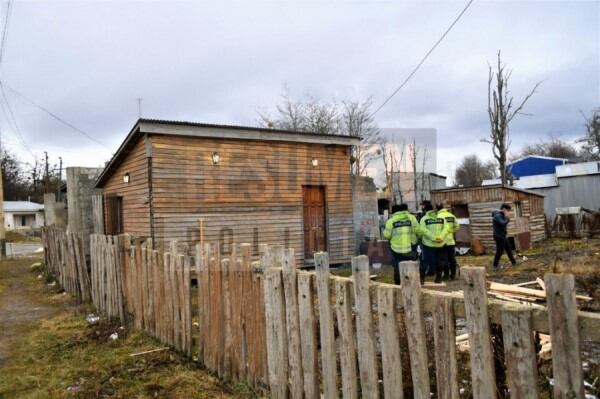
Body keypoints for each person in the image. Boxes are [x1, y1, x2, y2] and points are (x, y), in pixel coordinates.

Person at [383, 203, 420, 285]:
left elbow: (387, 235)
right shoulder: (410, 219)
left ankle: (398, 282)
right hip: (408, 247)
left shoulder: (391, 221)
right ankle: (410, 281)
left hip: (396, 248)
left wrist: (384, 231)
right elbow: (417, 231)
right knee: (409, 264)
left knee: (397, 265)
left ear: (393, 212)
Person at [419, 201, 446, 284]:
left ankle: (422, 279)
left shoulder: (424, 219)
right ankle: (438, 278)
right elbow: (446, 229)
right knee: (439, 261)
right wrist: (440, 237)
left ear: (425, 210)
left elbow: (423, 231)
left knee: (424, 261)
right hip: (440, 244)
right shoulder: (441, 218)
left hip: (428, 244)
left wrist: (433, 238)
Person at [437, 201, 460, 280]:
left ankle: (446, 275)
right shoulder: (452, 216)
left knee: (444, 259)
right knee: (452, 258)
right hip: (451, 241)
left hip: (442, 241)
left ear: (437, 209)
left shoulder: (438, 216)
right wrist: (450, 231)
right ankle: (453, 275)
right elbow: (457, 227)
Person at [492, 203, 517, 270]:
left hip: (503, 236)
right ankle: (495, 265)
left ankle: (514, 262)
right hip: (499, 236)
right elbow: (503, 224)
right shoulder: (497, 216)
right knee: (499, 252)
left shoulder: (501, 215)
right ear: (504, 209)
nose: (508, 212)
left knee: (508, 249)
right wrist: (508, 218)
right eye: (508, 210)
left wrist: (506, 217)